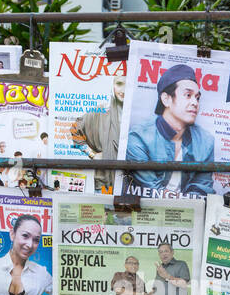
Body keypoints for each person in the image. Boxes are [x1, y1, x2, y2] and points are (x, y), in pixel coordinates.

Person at [124, 63, 215, 196]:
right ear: (166, 99)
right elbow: (149, 190)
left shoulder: (205, 141)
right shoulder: (138, 137)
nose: (195, 103)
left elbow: (202, 189)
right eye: (188, 95)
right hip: (146, 212)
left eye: (197, 97)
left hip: (188, 214)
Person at [72, 73, 126, 192]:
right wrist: (92, 154)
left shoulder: (137, 114)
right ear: (113, 86)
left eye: (127, 85)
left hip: (132, 180)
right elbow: (75, 128)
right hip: (104, 180)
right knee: (104, 210)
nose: (123, 90)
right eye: (119, 84)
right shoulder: (101, 110)